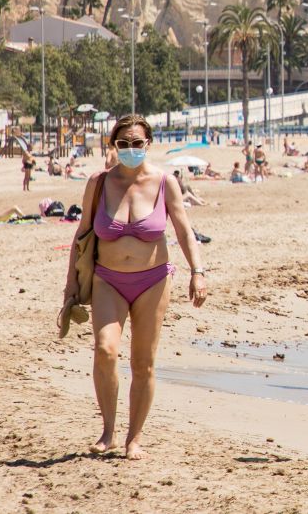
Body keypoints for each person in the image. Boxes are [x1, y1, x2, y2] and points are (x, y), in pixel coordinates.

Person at [63, 114, 207, 460]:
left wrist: (197, 271)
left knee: (143, 363)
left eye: (137, 143)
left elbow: (185, 230)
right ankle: (109, 430)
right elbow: (81, 235)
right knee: (105, 350)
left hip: (152, 281)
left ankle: (134, 439)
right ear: (114, 145)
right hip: (107, 280)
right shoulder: (99, 183)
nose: (130, 149)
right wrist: (70, 288)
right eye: (123, 143)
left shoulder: (164, 181)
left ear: (148, 144)